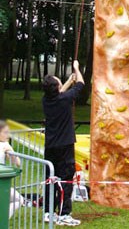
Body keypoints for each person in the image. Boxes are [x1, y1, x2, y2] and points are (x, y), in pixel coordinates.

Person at [42, 60, 84, 226]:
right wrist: (77, 68)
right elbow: (81, 84)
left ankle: (48, 212)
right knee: (66, 179)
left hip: (51, 146)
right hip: (65, 147)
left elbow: (60, 93)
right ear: (57, 87)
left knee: (50, 178)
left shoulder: (47, 100)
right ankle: (64, 214)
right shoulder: (64, 99)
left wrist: (67, 82)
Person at [0, 120, 23, 218]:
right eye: (5, 132)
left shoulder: (4, 145)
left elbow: (16, 162)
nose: (8, 135)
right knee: (19, 200)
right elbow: (18, 163)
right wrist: (9, 148)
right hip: (1, 183)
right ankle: (2, 221)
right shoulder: (4, 145)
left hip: (2, 181)